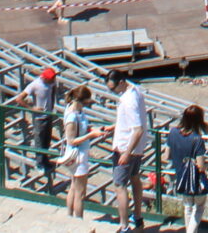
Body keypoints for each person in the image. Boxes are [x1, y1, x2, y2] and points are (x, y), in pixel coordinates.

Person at [109, 68, 151, 230]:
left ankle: (124, 226)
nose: (111, 91)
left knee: (120, 186)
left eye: (112, 88)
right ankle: (138, 217)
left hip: (125, 148)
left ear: (121, 83)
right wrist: (115, 126)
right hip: (135, 148)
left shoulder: (129, 100)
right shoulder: (135, 91)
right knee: (135, 179)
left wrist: (126, 153)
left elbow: (137, 129)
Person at [165, 104, 208, 233]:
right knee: (199, 207)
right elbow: (200, 166)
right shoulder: (197, 139)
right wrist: (207, 166)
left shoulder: (173, 132)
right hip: (195, 179)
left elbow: (165, 156)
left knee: (188, 207)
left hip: (181, 175)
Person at [60, 83, 99, 218]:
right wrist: (91, 135)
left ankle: (70, 216)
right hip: (78, 156)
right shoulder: (72, 116)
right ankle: (78, 220)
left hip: (79, 153)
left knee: (73, 187)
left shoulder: (76, 111)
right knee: (80, 193)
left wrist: (92, 131)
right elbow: (71, 140)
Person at [20, 66, 60, 190]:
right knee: (39, 140)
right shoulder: (35, 85)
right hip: (39, 118)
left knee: (46, 140)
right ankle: (39, 164)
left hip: (48, 115)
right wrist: (32, 108)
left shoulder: (51, 83)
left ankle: (45, 161)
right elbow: (19, 98)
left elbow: (51, 93)